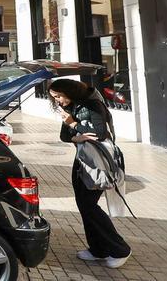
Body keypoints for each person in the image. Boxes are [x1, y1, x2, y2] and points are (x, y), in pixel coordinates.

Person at [50, 78, 131, 268]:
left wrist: (74, 125)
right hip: (83, 161)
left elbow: (100, 133)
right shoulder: (71, 107)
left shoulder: (94, 105)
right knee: (84, 205)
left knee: (89, 205)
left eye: (59, 96)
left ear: (70, 92)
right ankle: (98, 249)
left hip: (99, 162)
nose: (57, 101)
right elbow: (64, 136)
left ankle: (120, 249)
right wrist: (77, 135)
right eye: (54, 98)